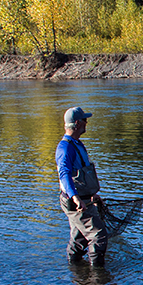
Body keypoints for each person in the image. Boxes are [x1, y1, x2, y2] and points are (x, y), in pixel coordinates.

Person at [55, 106, 108, 267]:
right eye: (85, 120)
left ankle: (75, 269)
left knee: (80, 238)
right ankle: (97, 277)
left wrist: (92, 194)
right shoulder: (65, 148)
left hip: (84, 199)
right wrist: (76, 197)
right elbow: (64, 175)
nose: (87, 123)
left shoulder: (77, 144)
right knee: (98, 235)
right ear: (77, 123)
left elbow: (83, 173)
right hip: (76, 202)